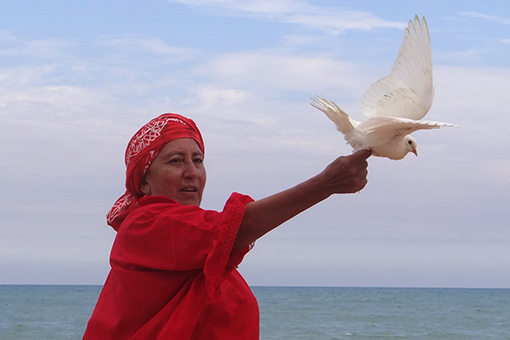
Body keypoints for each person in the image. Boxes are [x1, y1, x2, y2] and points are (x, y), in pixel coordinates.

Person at [83, 113, 370, 340]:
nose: (191, 172)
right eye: (175, 161)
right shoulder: (144, 225)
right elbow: (234, 227)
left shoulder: (203, 250)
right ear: (144, 180)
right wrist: (325, 185)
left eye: (198, 160)